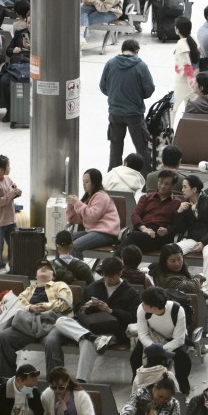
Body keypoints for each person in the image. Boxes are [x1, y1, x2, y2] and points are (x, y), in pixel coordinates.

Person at [100, 39, 155, 173]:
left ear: (122, 50)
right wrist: (136, 95)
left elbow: (103, 86)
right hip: (134, 114)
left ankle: (113, 177)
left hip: (115, 113)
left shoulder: (110, 64)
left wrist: (115, 95)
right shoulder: (141, 66)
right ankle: (146, 179)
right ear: (137, 51)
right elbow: (149, 90)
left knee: (115, 148)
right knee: (141, 148)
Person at [73, 256, 141, 343]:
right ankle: (94, 338)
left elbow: (134, 318)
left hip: (116, 331)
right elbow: (79, 311)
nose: (108, 280)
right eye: (105, 276)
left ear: (120, 274)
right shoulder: (93, 287)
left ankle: (95, 339)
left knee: (88, 342)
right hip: (93, 327)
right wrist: (86, 305)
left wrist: (111, 311)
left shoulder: (131, 293)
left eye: (112, 277)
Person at [66, 168, 121, 258]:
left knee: (75, 246)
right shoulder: (88, 197)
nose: (84, 184)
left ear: (94, 182)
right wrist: (71, 206)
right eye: (83, 181)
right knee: (62, 240)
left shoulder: (101, 196)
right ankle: (60, 268)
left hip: (106, 234)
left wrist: (77, 203)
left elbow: (91, 216)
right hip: (92, 231)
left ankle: (78, 271)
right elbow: (77, 220)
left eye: (87, 182)